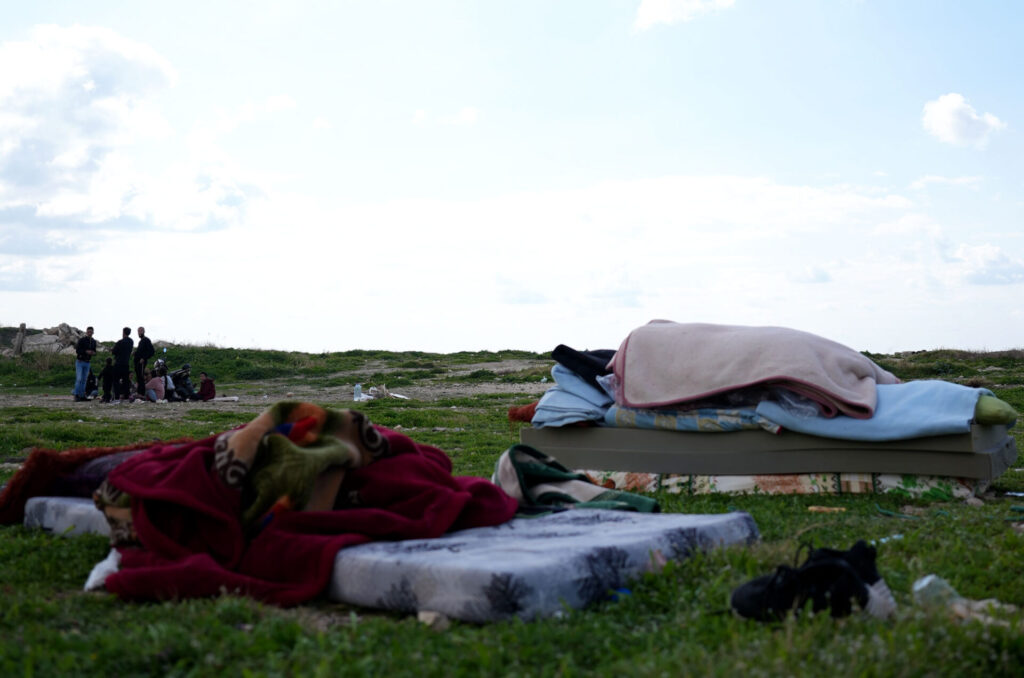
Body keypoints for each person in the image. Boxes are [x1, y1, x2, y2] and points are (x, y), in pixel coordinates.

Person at [73, 326, 97, 402]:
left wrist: (93, 353)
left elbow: (94, 351)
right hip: (80, 361)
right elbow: (77, 350)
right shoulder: (82, 340)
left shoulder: (93, 341)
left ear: (93, 333)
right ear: (86, 332)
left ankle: (82, 395)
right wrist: (86, 351)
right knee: (79, 378)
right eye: (88, 331)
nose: (89, 333)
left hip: (87, 362)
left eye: (91, 332)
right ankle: (76, 395)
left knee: (84, 380)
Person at [111, 327, 134, 402]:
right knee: (126, 381)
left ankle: (117, 397)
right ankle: (126, 397)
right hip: (126, 364)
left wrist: (113, 349)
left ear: (123, 332)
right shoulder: (131, 341)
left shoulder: (120, 342)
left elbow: (114, 351)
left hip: (118, 363)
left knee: (116, 381)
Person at [134, 327, 155, 396]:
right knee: (139, 377)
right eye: (138, 331)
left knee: (141, 377)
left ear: (143, 331)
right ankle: (139, 393)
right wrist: (135, 353)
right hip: (137, 362)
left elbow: (151, 351)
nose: (139, 333)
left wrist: (144, 358)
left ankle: (141, 394)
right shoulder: (141, 341)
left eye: (140, 331)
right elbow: (140, 352)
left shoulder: (146, 340)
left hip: (142, 362)